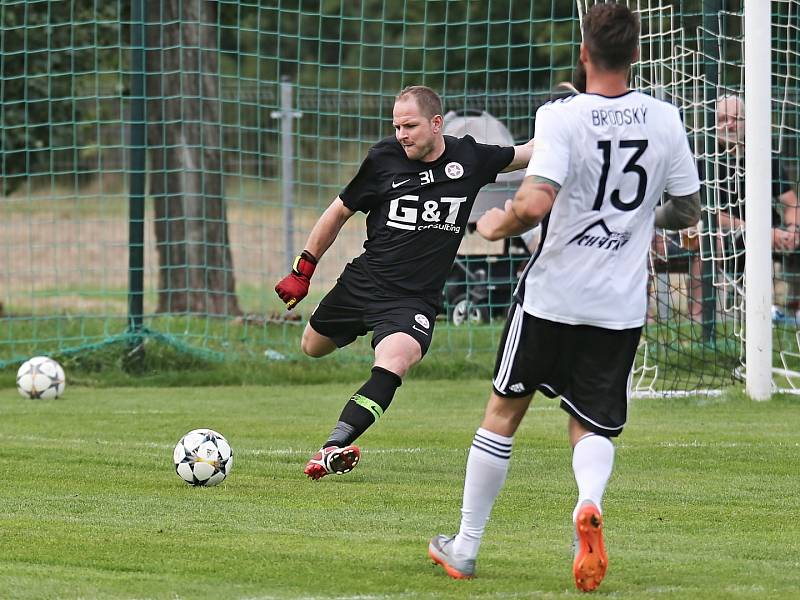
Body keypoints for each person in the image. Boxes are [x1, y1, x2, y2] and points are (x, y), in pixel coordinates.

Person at [427, 3, 701, 592]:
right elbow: (686, 208)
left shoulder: (561, 115)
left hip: (552, 296)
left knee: (503, 415)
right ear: (635, 55)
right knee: (591, 422)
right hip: (619, 305)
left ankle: (466, 546)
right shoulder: (665, 118)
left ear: (584, 55)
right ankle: (586, 503)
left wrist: (495, 225)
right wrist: (640, 218)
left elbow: (535, 201)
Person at [274, 85, 535, 480]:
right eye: (397, 126)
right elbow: (338, 211)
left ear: (436, 124)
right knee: (311, 346)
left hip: (412, 302)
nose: (401, 135)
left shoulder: (470, 157)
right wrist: (302, 270)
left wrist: (572, 124)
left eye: (409, 125)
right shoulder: (384, 159)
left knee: (394, 362)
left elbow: (528, 153)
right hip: (364, 281)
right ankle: (363, 328)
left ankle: (331, 447)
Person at [688, 94, 800, 323]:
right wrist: (759, 231)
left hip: (772, 233)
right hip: (726, 233)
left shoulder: (764, 156)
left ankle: (791, 310)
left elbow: (791, 202)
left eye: (735, 118)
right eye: (721, 119)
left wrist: (793, 229)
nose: (728, 124)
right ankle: (699, 317)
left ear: (747, 121)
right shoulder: (703, 159)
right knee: (710, 241)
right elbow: (705, 213)